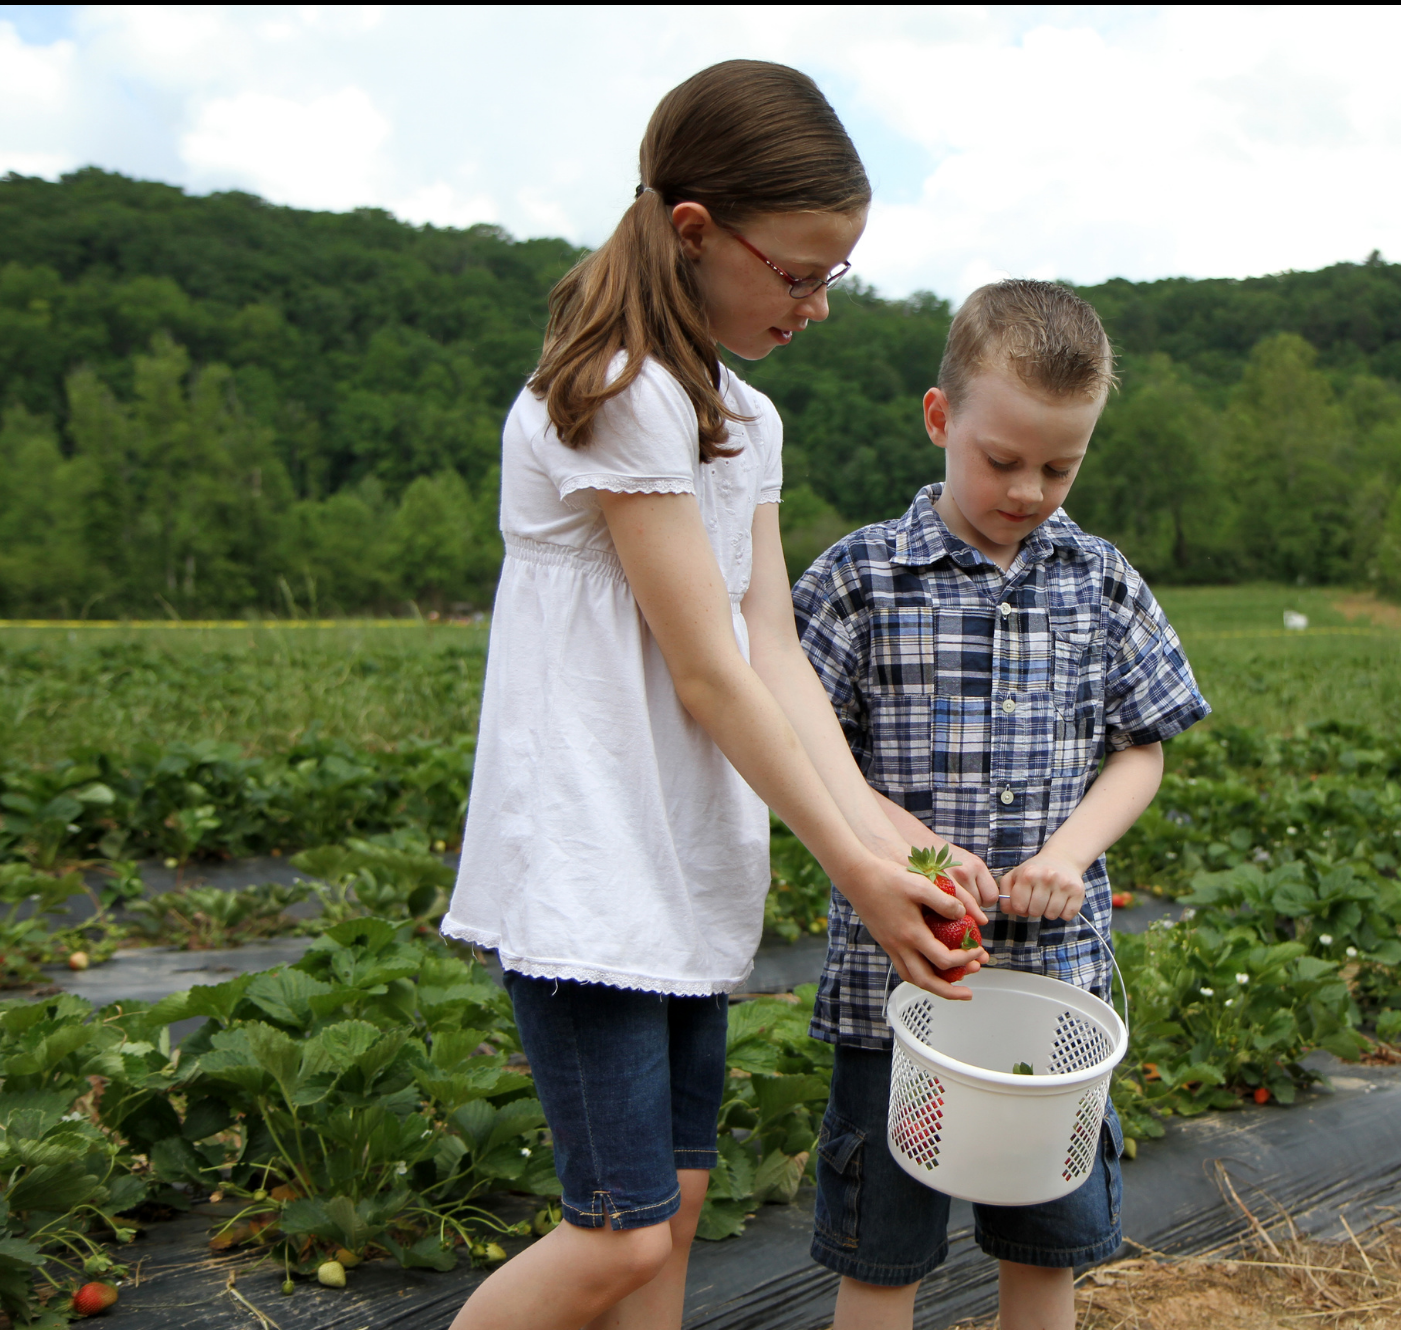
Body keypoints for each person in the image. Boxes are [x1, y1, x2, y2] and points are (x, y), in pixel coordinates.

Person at [442, 61, 994, 1330]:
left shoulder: (743, 416)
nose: (811, 303)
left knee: (674, 1213)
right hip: (589, 869)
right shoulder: (620, 390)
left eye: (829, 278)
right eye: (795, 272)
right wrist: (853, 875)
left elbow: (773, 653)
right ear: (694, 232)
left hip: (676, 865)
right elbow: (700, 667)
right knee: (620, 1237)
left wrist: (891, 836)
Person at [792, 280, 1211, 1330]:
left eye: (1058, 467)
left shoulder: (1101, 582)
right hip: (898, 982)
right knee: (881, 1254)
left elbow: (1138, 750)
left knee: (1046, 1247)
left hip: (1054, 988)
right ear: (940, 421)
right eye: (1001, 460)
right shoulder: (859, 579)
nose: (1028, 489)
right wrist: (916, 849)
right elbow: (803, 753)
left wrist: (1068, 853)